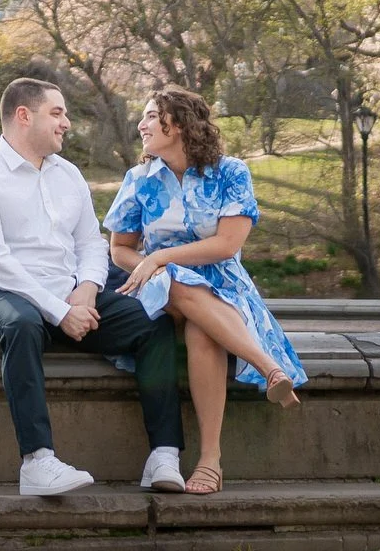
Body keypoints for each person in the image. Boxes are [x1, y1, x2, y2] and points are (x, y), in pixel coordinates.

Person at [0, 77, 187, 497]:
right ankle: (38, 462)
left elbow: (89, 243)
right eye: (57, 113)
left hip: (69, 291)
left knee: (153, 323)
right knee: (23, 325)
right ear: (24, 116)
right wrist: (60, 312)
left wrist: (88, 288)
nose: (67, 123)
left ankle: (163, 456)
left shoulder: (69, 174)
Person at [105, 83, 307, 496]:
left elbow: (227, 245)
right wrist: (151, 264)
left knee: (202, 330)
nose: (141, 124)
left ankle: (209, 460)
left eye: (149, 115)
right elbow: (119, 249)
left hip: (225, 288)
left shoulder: (230, 172)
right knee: (175, 280)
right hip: (161, 290)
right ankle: (268, 366)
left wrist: (161, 256)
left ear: (176, 123)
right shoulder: (139, 179)